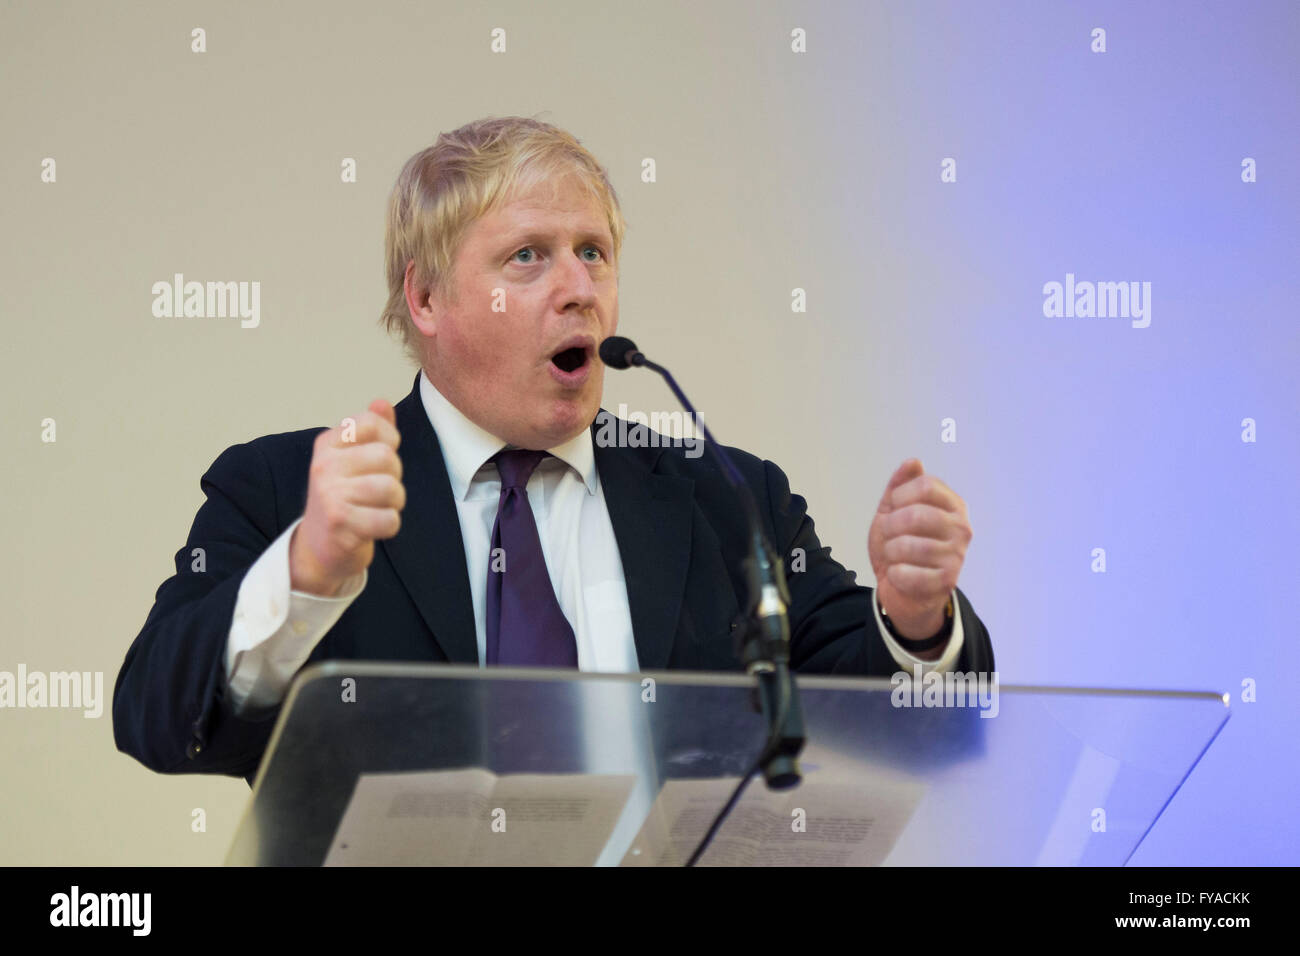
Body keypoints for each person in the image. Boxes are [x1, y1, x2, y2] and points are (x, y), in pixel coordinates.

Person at [113, 116, 993, 785]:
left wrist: (915, 619)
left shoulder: (724, 497)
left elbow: (912, 726)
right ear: (426, 297)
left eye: (594, 254)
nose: (579, 289)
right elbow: (154, 716)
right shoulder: (288, 491)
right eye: (528, 257)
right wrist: (307, 568)